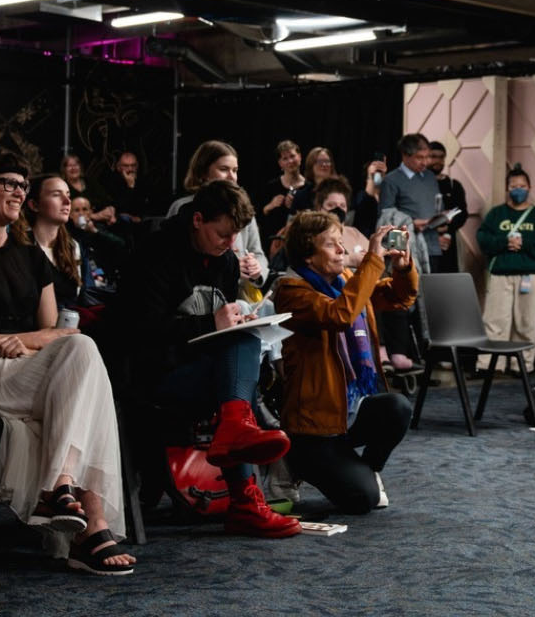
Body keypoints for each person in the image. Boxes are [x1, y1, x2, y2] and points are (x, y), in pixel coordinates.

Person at [0, 147, 138, 576]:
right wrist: (19, 341)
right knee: (84, 361)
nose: (19, 192)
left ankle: (68, 497)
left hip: (22, 369)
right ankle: (86, 521)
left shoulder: (28, 254)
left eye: (23, 185)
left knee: (82, 353)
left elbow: (52, 334)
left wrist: (30, 344)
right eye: (9, 183)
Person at [123, 179, 300, 539]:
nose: (231, 243)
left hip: (203, 370)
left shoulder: (226, 261)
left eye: (236, 235)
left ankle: (236, 432)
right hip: (153, 374)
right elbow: (139, 330)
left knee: (243, 345)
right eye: (223, 234)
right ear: (197, 220)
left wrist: (235, 320)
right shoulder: (154, 252)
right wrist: (212, 323)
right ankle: (246, 502)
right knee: (236, 390)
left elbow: (219, 327)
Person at [272, 213, 419, 514]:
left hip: (348, 412)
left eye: (341, 242)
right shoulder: (291, 291)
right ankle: (292, 460)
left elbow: (398, 297)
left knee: (398, 407)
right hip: (313, 427)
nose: (342, 250)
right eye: (331, 245)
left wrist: (402, 269)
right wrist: (373, 261)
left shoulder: (346, 281)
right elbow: (339, 315)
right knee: (362, 500)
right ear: (308, 255)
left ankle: (367, 469)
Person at [477, 165, 535, 368]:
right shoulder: (496, 214)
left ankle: (522, 365)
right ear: (507, 189)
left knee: (527, 322)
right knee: (494, 321)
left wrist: (523, 244)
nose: (518, 190)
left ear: (529, 187)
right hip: (500, 274)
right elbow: (483, 240)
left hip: (530, 275)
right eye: (513, 186)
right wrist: (505, 242)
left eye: (522, 186)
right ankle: (490, 364)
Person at [168, 140, 267, 285]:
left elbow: (257, 253)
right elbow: (173, 258)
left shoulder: (242, 207)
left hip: (238, 292)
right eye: (224, 169)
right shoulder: (182, 207)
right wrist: (229, 269)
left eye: (235, 170)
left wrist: (256, 269)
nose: (232, 177)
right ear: (203, 172)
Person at [24, 175, 96, 315]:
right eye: (56, 195)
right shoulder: (22, 247)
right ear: (34, 205)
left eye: (68, 195)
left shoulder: (73, 247)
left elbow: (87, 296)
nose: (67, 201)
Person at [379, 133, 444, 271]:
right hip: (407, 248)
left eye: (427, 157)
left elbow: (436, 207)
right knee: (408, 283)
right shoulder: (391, 180)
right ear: (405, 155)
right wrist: (412, 224)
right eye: (419, 157)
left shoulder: (430, 177)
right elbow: (386, 218)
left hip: (433, 246)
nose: (425, 162)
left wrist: (443, 218)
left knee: (433, 284)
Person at [258, 140, 307, 257]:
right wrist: (271, 205)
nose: (290, 161)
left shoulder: (309, 186)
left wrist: (296, 206)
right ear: (280, 163)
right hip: (274, 243)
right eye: (285, 158)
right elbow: (258, 214)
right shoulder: (271, 186)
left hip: (301, 242)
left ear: (300, 157)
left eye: (292, 156)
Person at [427, 140, 468, 273]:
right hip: (424, 242)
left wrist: (448, 227)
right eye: (433, 156)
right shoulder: (417, 185)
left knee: (448, 280)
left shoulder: (453, 185)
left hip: (448, 243)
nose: (438, 161)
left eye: (441, 157)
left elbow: (462, 213)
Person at [59, 153, 113, 222]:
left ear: (80, 167)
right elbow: (68, 213)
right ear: (64, 169)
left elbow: (107, 200)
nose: (73, 168)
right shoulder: (62, 187)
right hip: (79, 223)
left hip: (103, 219)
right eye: (69, 166)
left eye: (76, 165)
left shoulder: (90, 181)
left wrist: (111, 213)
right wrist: (94, 216)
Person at [105, 151, 156, 224]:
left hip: (141, 219)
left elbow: (148, 204)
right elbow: (118, 207)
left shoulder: (144, 181)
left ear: (137, 166)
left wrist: (140, 217)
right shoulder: (112, 182)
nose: (130, 169)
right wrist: (130, 187)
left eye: (133, 165)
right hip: (120, 220)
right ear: (119, 167)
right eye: (126, 166)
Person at [290, 146, 339, 212]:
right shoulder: (301, 195)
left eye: (327, 161)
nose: (324, 164)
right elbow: (292, 218)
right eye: (319, 161)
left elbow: (349, 215)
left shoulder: (341, 190)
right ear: (311, 166)